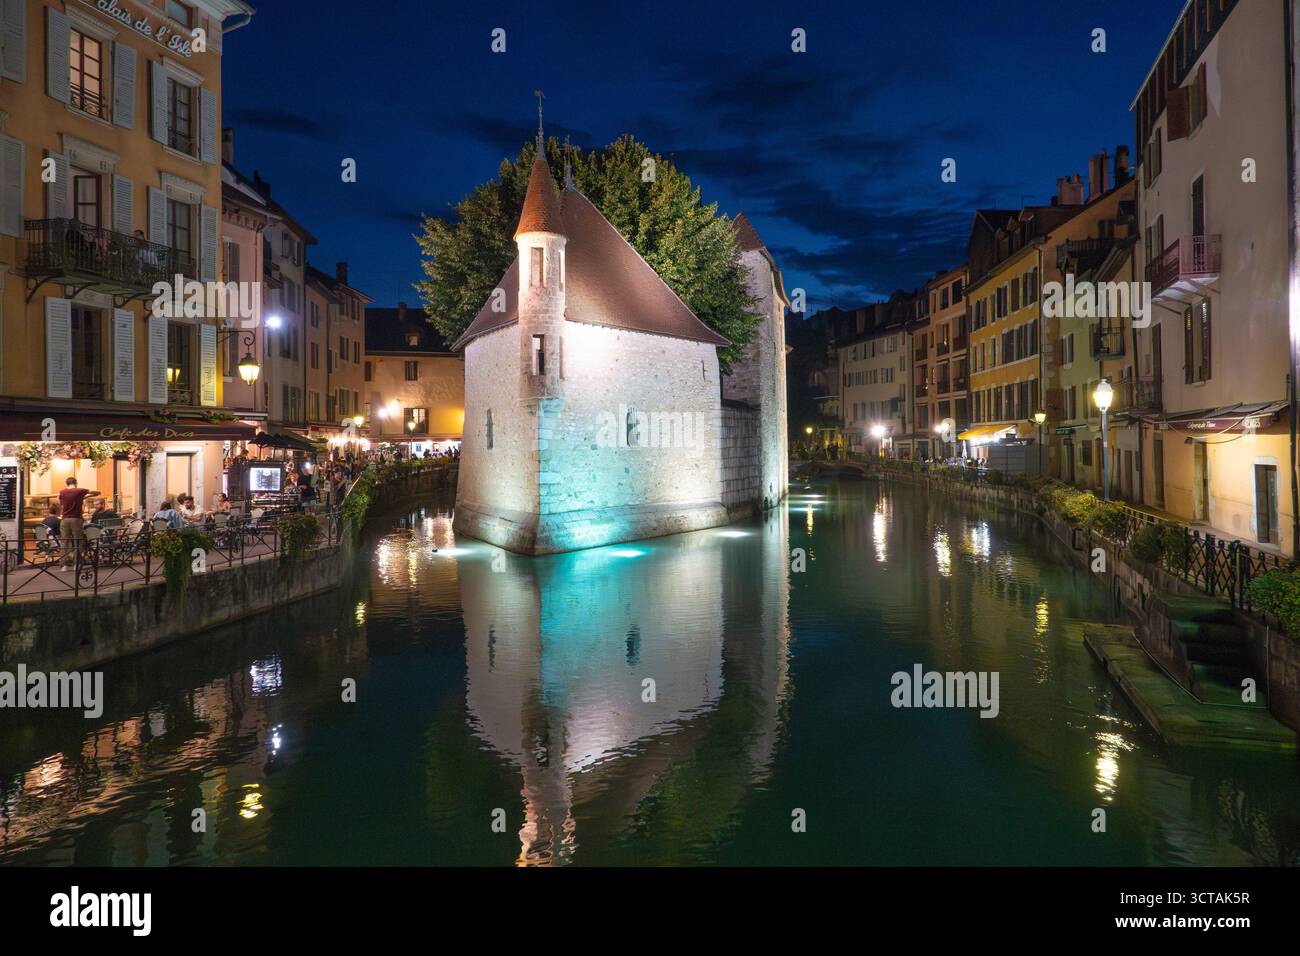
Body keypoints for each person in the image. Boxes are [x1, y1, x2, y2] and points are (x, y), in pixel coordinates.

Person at [58, 476, 97, 568]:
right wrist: (88, 495)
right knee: (78, 541)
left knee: (64, 542)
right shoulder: (80, 491)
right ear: (76, 483)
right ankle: (76, 564)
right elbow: (96, 493)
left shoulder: (62, 492)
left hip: (65, 519)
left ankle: (64, 565)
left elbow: (60, 502)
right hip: (76, 518)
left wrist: (81, 498)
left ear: (66, 483)